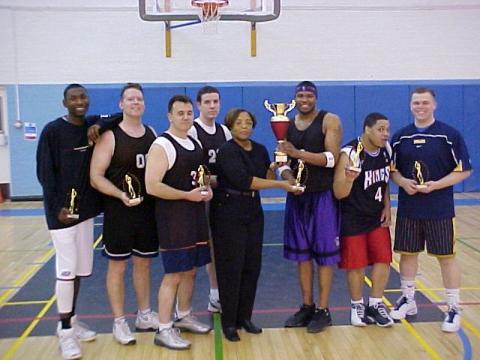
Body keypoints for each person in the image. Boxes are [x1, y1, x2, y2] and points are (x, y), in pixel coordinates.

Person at [36, 84, 121, 359]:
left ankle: (72, 319)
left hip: (86, 211)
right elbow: (44, 174)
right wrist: (58, 207)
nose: (79, 101)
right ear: (64, 103)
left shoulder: (91, 124)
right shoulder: (52, 131)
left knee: (79, 270)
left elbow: (117, 117)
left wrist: (101, 124)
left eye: (83, 97)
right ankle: (64, 332)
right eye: (73, 98)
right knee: (65, 268)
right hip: (62, 213)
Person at [389, 87, 472, 332]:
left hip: (440, 209)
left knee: (446, 258)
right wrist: (403, 182)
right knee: (407, 254)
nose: (420, 107)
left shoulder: (449, 135)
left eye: (425, 103)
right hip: (409, 208)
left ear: (434, 105)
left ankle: (453, 308)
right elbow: (392, 170)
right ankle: (408, 300)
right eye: (416, 103)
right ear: (410, 105)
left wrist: (436, 186)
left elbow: (464, 170)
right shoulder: (401, 137)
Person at [210, 108, 297, 342]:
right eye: (239, 122)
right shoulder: (226, 151)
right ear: (231, 126)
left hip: (252, 211)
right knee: (231, 268)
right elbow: (245, 181)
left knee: (251, 267)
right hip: (228, 211)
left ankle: (244, 317)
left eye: (248, 122)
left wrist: (275, 165)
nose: (245, 126)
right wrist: (282, 187)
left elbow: (265, 179)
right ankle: (229, 322)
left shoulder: (258, 149)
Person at [90, 83, 159, 345]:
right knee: (117, 266)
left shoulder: (151, 133)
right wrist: (120, 195)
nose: (135, 102)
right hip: (119, 211)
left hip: (147, 211)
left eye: (139, 99)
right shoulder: (110, 136)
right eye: (130, 99)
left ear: (144, 104)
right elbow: (95, 177)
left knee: (143, 263)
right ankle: (119, 322)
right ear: (120, 104)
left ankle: (144, 314)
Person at [145, 95, 212, 350]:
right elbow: (152, 186)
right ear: (169, 116)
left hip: (194, 216)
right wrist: (187, 195)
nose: (185, 117)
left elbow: (200, 176)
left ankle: (183, 315)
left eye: (188, 113)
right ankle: (163, 329)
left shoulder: (194, 142)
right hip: (173, 219)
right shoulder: (162, 145)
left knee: (191, 271)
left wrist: (206, 188)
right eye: (180, 113)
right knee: (173, 274)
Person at [278, 81, 343, 333]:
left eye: (308, 95)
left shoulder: (329, 120)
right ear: (294, 98)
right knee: (302, 256)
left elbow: (332, 158)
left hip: (322, 197)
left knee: (324, 257)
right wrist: (287, 177)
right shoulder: (286, 123)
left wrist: (299, 153)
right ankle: (307, 306)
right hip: (297, 197)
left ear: (315, 97)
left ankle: (323, 310)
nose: (304, 99)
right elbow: (282, 158)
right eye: (300, 95)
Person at [333, 112, 394, 327]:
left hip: (376, 216)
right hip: (353, 217)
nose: (385, 134)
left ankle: (376, 304)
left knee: (383, 260)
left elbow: (385, 181)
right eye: (380, 129)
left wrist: (387, 204)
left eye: (387, 129)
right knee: (356, 264)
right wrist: (349, 180)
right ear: (367, 129)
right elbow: (339, 193)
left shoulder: (386, 150)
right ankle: (357, 305)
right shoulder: (350, 153)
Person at [187, 85, 232, 313]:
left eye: (215, 101)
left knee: (218, 247)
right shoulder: (192, 130)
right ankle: (181, 308)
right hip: (198, 197)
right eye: (207, 102)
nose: (212, 106)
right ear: (198, 105)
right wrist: (211, 181)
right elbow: (191, 169)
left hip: (220, 197)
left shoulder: (225, 131)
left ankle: (215, 294)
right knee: (194, 251)